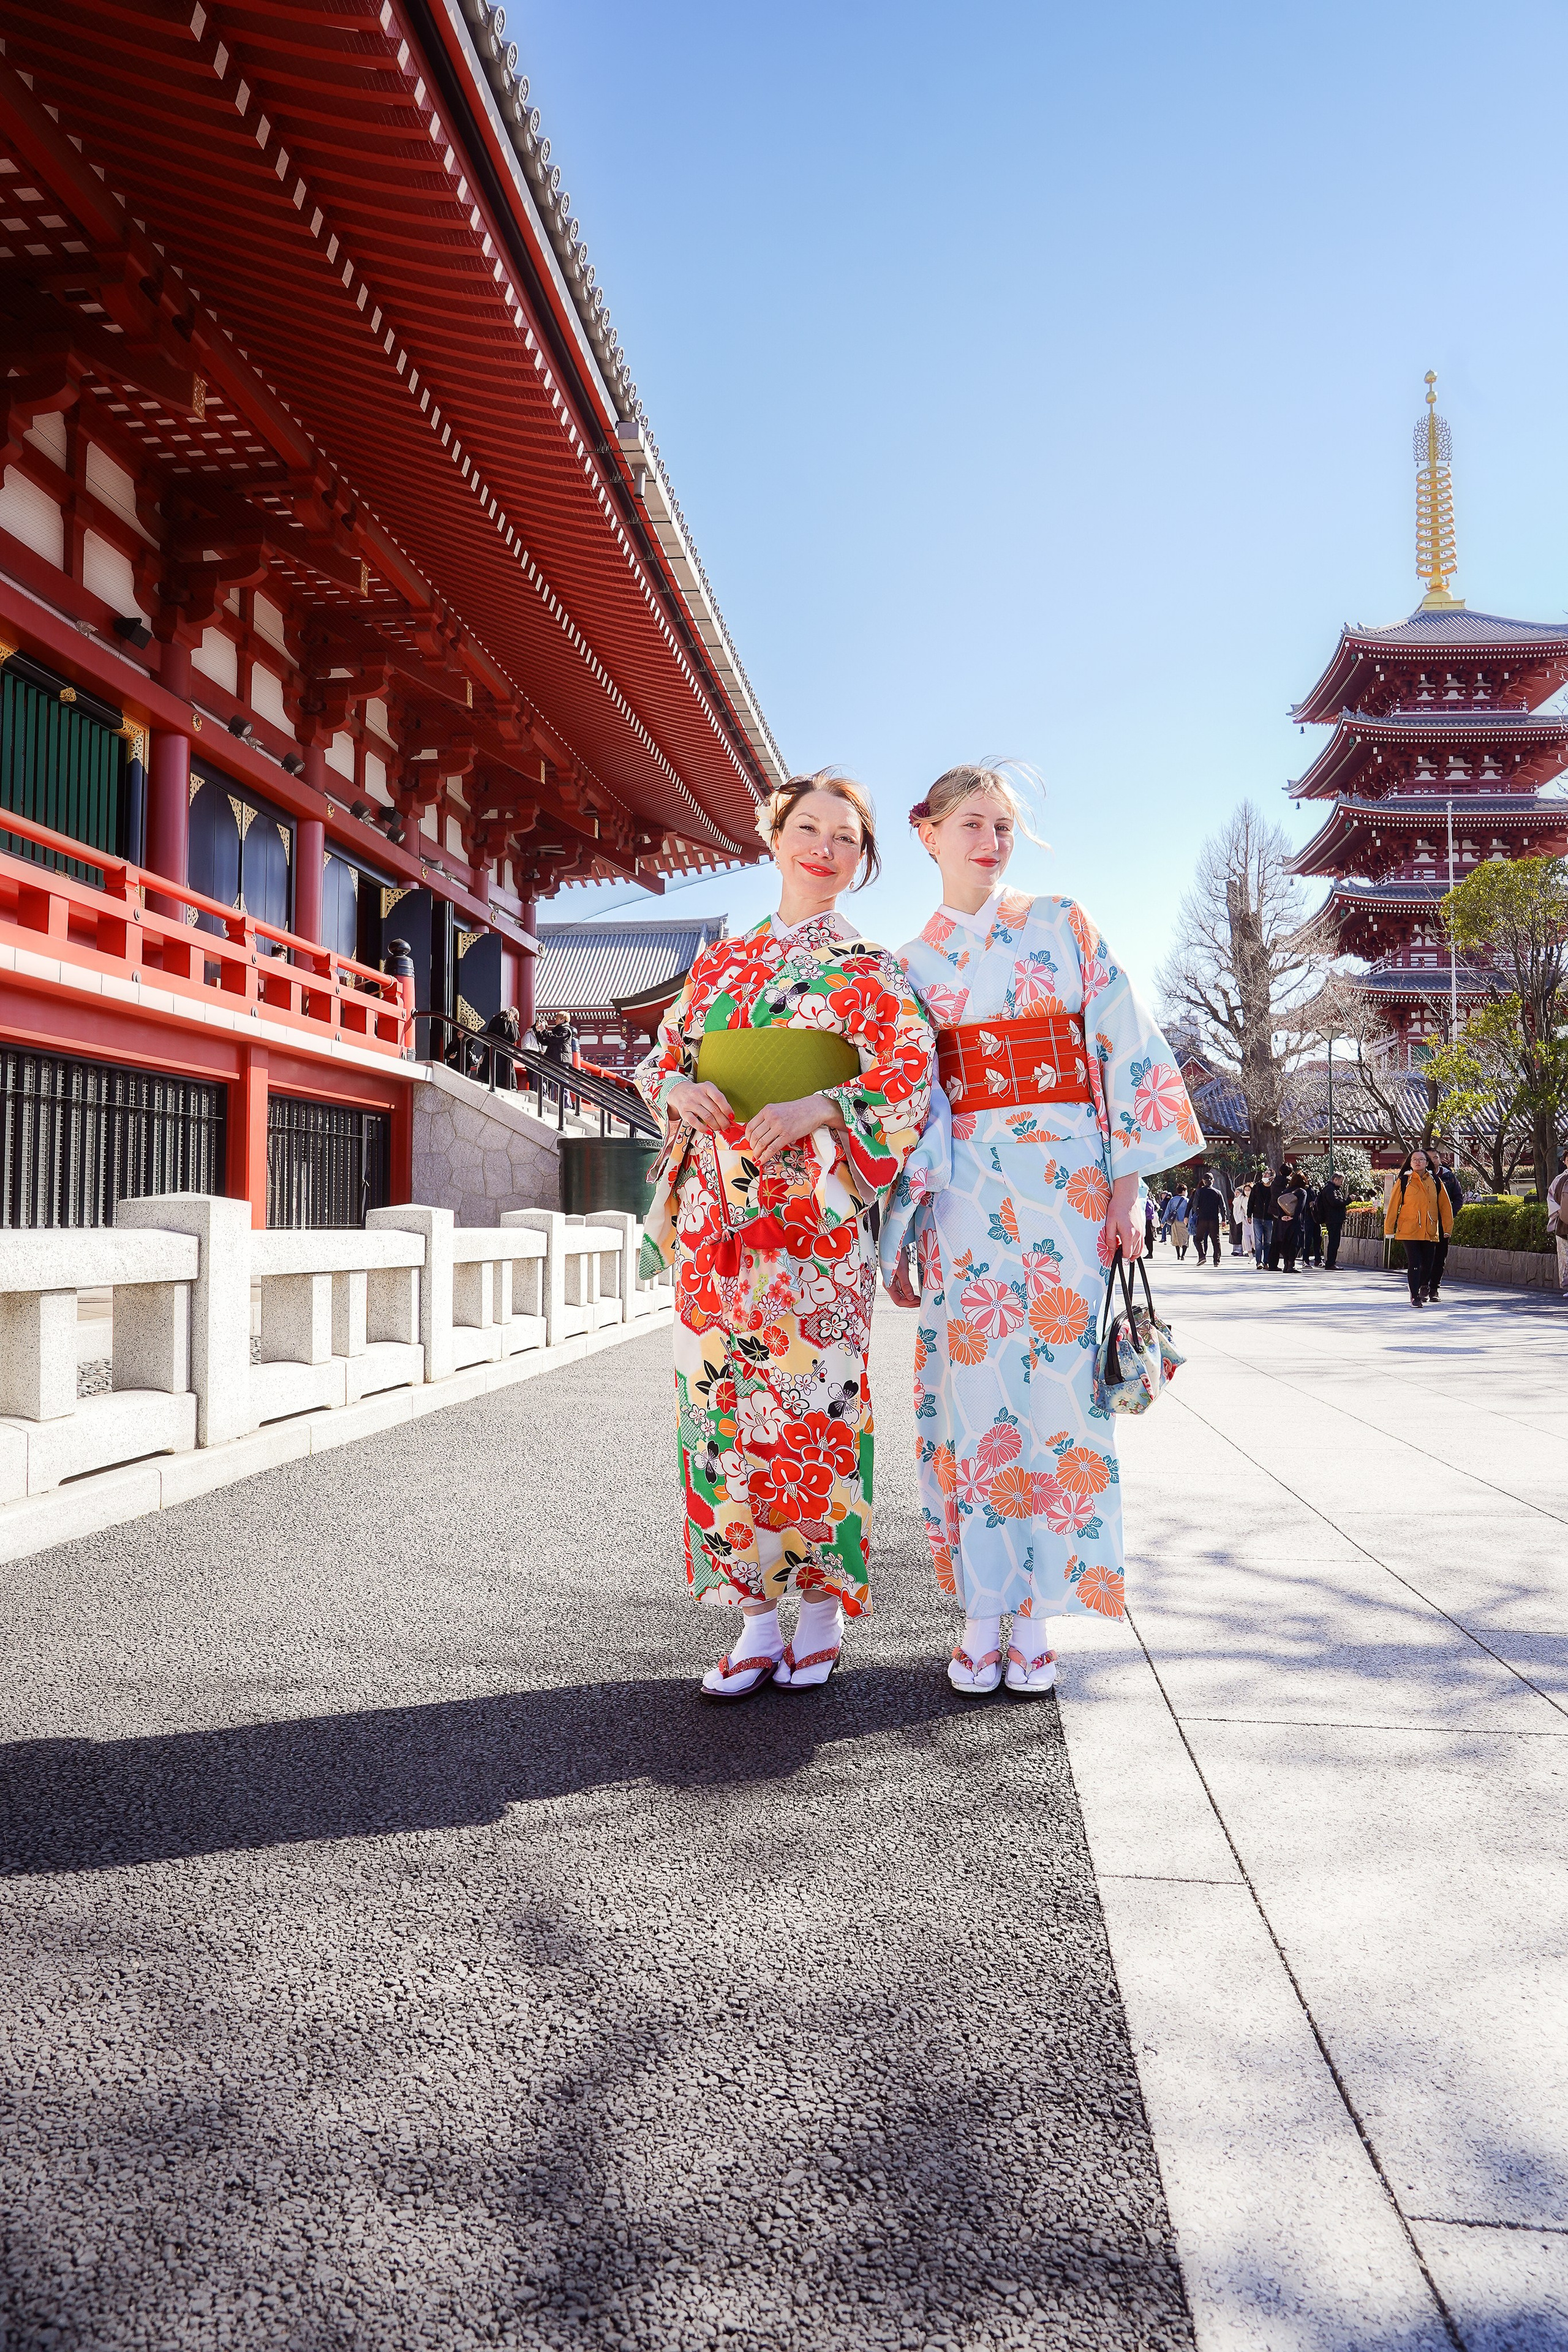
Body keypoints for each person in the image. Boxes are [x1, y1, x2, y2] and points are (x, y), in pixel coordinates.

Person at [881, 763, 1201, 1695]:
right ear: (927, 831)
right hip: (965, 1189)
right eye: (973, 823)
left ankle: (1037, 1617)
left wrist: (1130, 1187)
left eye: (1005, 827)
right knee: (974, 1396)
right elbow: (913, 1099)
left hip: (1069, 1180)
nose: (991, 841)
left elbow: (1124, 1045)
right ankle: (983, 1613)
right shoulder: (912, 964)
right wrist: (906, 1225)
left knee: (1062, 1399)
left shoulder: (1063, 923)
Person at [636, 771, 935, 1698]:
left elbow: (910, 1083)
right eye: (807, 828)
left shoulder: (874, 971)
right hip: (717, 1218)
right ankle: (756, 1619)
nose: (824, 848)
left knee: (814, 1410)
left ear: (864, 859)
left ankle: (821, 1611)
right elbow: (662, 1054)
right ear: (774, 837)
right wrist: (674, 1088)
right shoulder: (719, 964)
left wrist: (824, 1103)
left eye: (846, 837)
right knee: (721, 1410)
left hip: (811, 1225)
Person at [1384, 1145, 1454, 1308]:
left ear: (1427, 1162)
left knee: (1427, 1263)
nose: (1418, 1162)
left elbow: (1445, 1206)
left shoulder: (1436, 1181)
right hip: (1409, 1229)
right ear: (1410, 1162)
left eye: (1421, 1159)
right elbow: (1394, 1205)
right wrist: (1389, 1229)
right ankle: (1415, 1296)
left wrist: (1448, 1228)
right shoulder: (1404, 1181)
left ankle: (1421, 1286)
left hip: (1430, 1229)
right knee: (1414, 1262)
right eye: (1415, 1160)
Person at [1430, 1156, 1464, 1302]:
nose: (1433, 1160)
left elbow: (1458, 1198)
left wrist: (1450, 1215)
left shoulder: (1449, 1177)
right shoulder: (1417, 1178)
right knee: (1425, 1257)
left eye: (1436, 1157)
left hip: (1443, 1224)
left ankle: (1434, 1289)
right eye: (1429, 1158)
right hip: (1424, 1224)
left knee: (1440, 1257)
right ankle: (1423, 1285)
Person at [1190, 1169, 1226, 1266]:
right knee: (1216, 1240)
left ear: (1203, 1181)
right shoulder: (1218, 1192)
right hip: (1214, 1219)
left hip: (1202, 1218)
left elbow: (1194, 1205)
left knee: (1198, 1239)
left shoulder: (1199, 1191)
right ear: (1213, 1181)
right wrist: (1224, 1219)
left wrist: (1197, 1212)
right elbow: (1223, 1207)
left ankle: (1202, 1256)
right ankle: (1216, 1260)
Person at [1273, 1170, 1302, 1270]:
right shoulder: (1302, 1192)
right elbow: (1300, 1207)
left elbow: (1279, 1203)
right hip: (1295, 1221)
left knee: (1285, 1242)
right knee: (1295, 1243)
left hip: (1283, 1221)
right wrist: (1294, 1217)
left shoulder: (1285, 1191)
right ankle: (1291, 1265)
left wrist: (1282, 1216)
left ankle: (1286, 1265)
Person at [1548, 1150, 1568, 1298]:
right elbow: (1551, 1198)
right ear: (1565, 1161)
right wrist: (1560, 1212)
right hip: (1564, 1224)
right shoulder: (1559, 1179)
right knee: (1565, 1258)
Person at [1247, 1167, 1274, 1268]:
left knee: (1268, 1241)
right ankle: (1259, 1262)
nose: (1264, 1175)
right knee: (1258, 1240)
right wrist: (1249, 1215)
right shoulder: (1257, 1187)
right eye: (1264, 1173)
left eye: (1267, 1174)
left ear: (1272, 1177)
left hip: (1269, 1217)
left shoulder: (1273, 1188)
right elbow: (1251, 1201)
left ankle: (1266, 1261)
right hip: (1257, 1216)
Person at [1321, 1173, 1348, 1268]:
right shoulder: (1330, 1190)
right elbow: (1335, 1202)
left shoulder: (1332, 1189)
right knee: (1334, 1241)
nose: (1342, 1184)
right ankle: (1330, 1263)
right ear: (1335, 1180)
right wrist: (1348, 1201)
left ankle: (1331, 1262)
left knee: (1335, 1241)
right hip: (1333, 1219)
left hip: (1334, 1219)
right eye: (1341, 1181)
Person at [1162, 1184, 1191, 1259]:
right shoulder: (1187, 1201)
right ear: (1184, 1191)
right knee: (1185, 1238)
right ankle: (1183, 1255)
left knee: (1176, 1238)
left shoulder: (1172, 1200)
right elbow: (1190, 1212)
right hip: (1185, 1221)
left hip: (1175, 1221)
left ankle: (1178, 1255)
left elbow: (1167, 1211)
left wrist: (1163, 1221)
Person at [1302, 1177, 1324, 1267]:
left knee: (1318, 1238)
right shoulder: (1302, 1190)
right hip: (1307, 1217)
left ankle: (1318, 1259)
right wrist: (1308, 1205)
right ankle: (1305, 1260)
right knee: (1307, 1240)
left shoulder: (1312, 1189)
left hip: (1315, 1217)